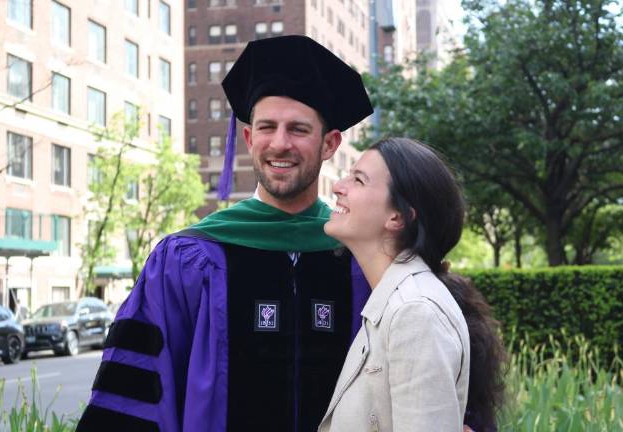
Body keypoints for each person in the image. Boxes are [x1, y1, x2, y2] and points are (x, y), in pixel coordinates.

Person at [76, 35, 374, 432]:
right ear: (249, 138)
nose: (280, 144)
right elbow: (138, 392)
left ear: (329, 144)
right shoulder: (187, 258)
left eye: (299, 129)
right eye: (267, 127)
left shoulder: (358, 257)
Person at [319, 138, 506, 432]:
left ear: (398, 217)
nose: (338, 187)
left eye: (358, 179)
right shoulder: (392, 302)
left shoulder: (415, 313)